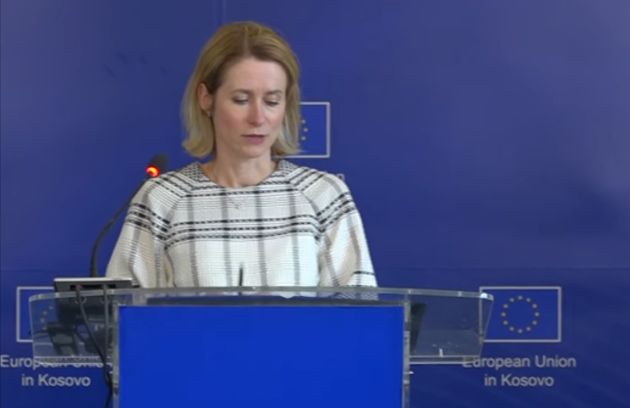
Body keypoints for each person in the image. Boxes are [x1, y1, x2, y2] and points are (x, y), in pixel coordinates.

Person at [105, 21, 377, 289]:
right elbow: (124, 310)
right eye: (241, 100)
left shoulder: (324, 194)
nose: (258, 117)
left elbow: (359, 309)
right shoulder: (161, 198)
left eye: (272, 101)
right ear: (206, 99)